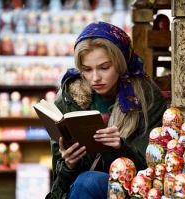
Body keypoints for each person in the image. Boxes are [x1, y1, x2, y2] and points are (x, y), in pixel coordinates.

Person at [45, 21, 167, 199]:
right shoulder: (68, 100)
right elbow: (59, 189)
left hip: (131, 189)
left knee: (89, 181)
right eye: (86, 70)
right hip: (79, 191)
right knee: (86, 182)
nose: (95, 78)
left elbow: (152, 171)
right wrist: (69, 165)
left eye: (104, 67)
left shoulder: (146, 98)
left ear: (120, 63)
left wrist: (119, 149)